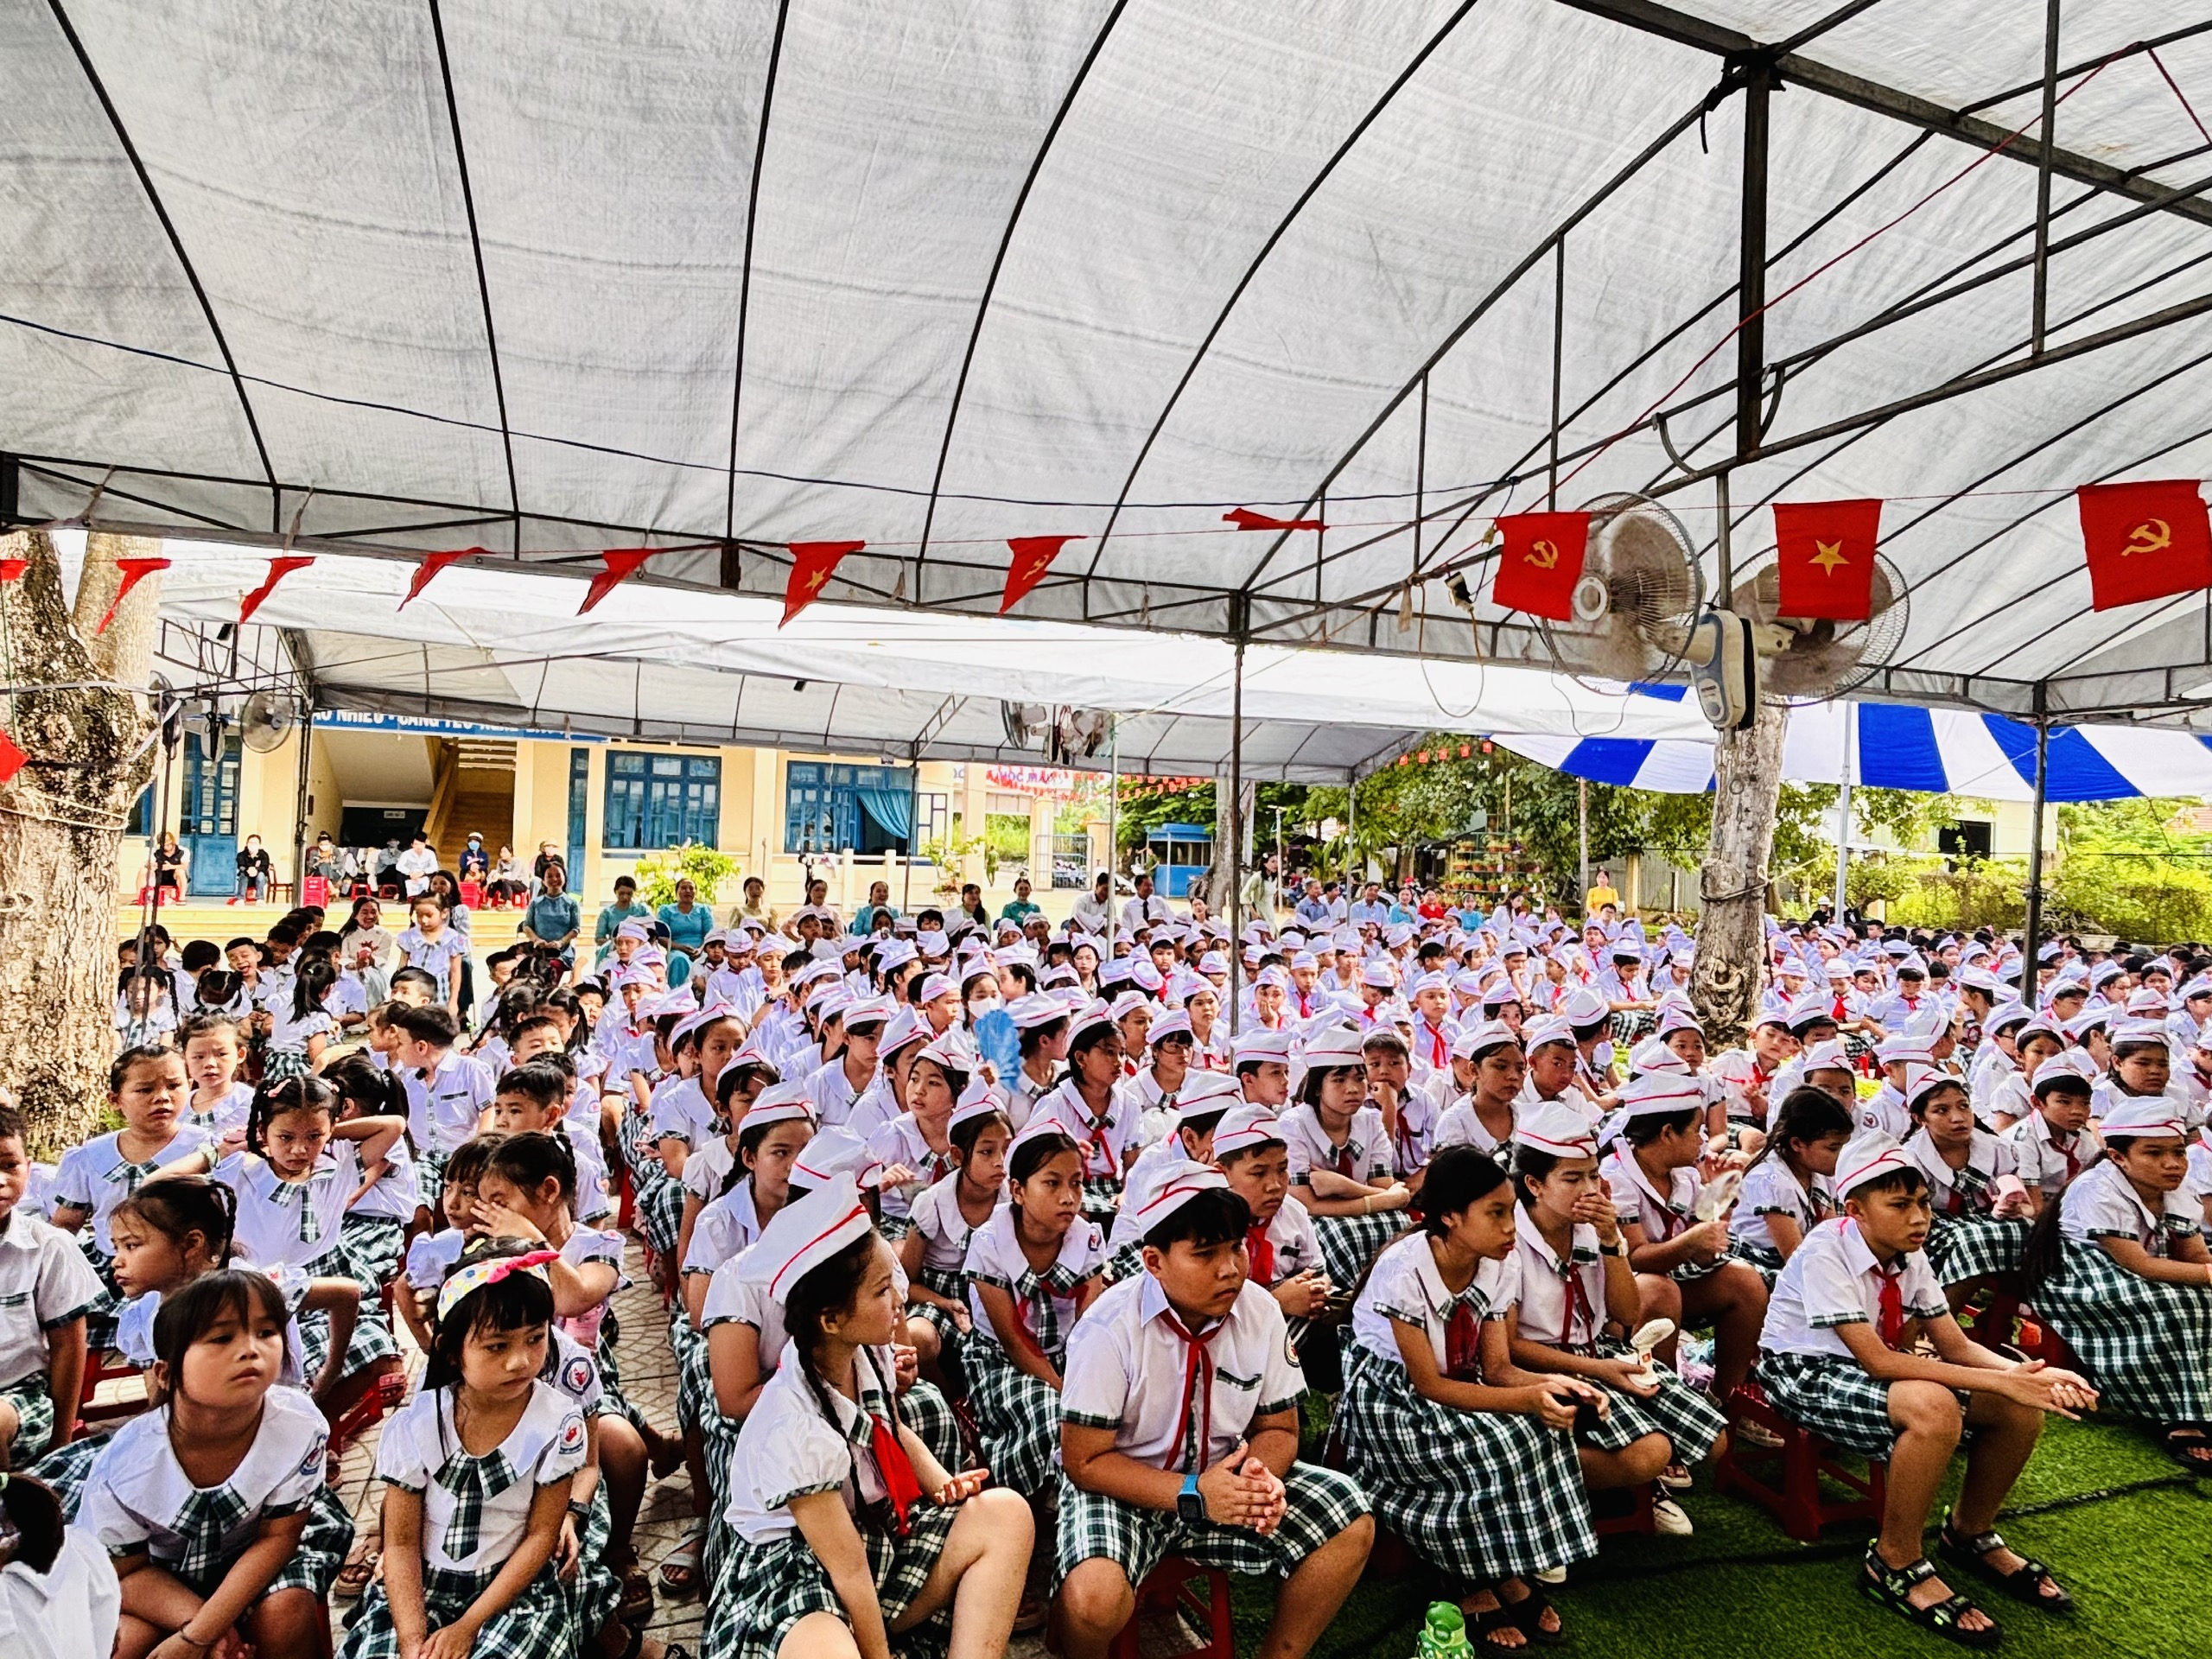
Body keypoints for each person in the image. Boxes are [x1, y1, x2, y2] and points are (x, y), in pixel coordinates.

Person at [1756, 1129, 2092, 1645]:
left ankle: (1969, 1532)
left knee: (2016, 1407)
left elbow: (1955, 1345)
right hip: (1802, 1373)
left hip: (1866, 1369)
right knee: (1934, 1407)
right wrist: (2003, 1380)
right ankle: (1893, 1560)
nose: (1919, 1218)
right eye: (1900, 1205)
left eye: (1923, 1203)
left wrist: (2028, 1377)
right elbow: (1879, 1361)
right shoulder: (1826, 1249)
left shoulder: (1908, 1253)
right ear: (1855, 1210)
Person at [1054, 1162, 1373, 1659]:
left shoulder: (1260, 1311)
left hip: (1222, 1479)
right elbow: (1084, 1461)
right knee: (1095, 1599)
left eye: (1236, 1247)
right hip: (1125, 1488)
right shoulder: (1108, 1329)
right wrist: (1193, 1493)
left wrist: (1257, 1480)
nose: (1229, 1268)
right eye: (1205, 1253)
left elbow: (1280, 1428)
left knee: (1349, 1518)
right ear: (1154, 1262)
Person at [702, 1175, 1029, 1659]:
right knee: (828, 1651)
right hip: (798, 1567)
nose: (898, 1299)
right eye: (881, 1290)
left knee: (1007, 1514)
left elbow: (888, 1429)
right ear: (831, 1319)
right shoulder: (795, 1427)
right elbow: (848, 1570)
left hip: (870, 1535)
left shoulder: (865, 1351)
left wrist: (940, 1482)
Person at [339, 1243, 613, 1659]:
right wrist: (413, 1641)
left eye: (535, 1338)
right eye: (497, 1346)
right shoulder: (419, 1425)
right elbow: (401, 1543)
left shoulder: (557, 1422)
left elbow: (541, 1536)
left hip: (513, 1593)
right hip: (423, 1590)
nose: (520, 1361)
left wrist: (467, 1626)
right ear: (452, 1351)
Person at [80, 1272, 353, 1658]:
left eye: (266, 1332)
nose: (250, 1349)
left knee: (284, 1614)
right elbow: (125, 1571)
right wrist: (204, 1629)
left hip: (261, 1551)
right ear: (166, 1373)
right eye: (222, 1338)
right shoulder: (127, 1467)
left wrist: (199, 1634)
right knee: (127, 1642)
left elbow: (278, 1538)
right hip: (160, 1572)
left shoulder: (299, 1425)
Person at [2023, 1096, 2212, 1469]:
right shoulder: (2096, 1187)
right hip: (2080, 1280)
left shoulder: (2175, 1186)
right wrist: (2208, 1275)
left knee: (2200, 1298)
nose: (2173, 1163)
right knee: (2178, 1306)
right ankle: (2176, 1416)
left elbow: (2195, 1255)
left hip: (2138, 1269)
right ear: (2118, 1156)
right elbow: (2138, 1264)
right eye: (2155, 1153)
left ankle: (2201, 1401)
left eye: (2178, 1152)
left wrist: (2207, 1272)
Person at [0, 1103, 99, 1470]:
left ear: (28, 1168)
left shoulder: (49, 1246)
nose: (0, 1180)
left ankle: (14, 1500)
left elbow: (68, 1346)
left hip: (22, 1398)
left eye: (10, 1165)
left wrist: (59, 1448)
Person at [523, 861, 583, 972]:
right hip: (538, 951)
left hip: (562, 953)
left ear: (564, 878)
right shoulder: (535, 903)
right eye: (549, 876)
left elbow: (575, 929)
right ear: (543, 881)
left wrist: (561, 942)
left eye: (558, 875)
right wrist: (537, 940)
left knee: (550, 968)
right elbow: (527, 926)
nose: (554, 879)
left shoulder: (572, 903)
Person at [659, 878, 715, 957]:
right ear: (676, 892)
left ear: (696, 893)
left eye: (691, 888)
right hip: (676, 951)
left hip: (702, 951)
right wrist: (680, 947)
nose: (688, 891)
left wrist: (700, 949)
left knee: (705, 960)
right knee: (679, 959)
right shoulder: (666, 911)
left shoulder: (704, 910)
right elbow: (661, 937)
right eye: (683, 888)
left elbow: (711, 935)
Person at [394, 831, 439, 899]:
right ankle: (402, 898)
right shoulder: (406, 854)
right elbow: (399, 866)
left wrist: (423, 872)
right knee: (399, 876)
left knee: (435, 875)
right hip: (411, 874)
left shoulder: (430, 853)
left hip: (424, 874)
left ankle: (431, 896)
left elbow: (435, 867)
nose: (419, 847)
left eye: (421, 844)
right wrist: (410, 873)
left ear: (425, 844)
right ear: (412, 845)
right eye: (416, 844)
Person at [232, 835, 273, 904]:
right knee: (243, 875)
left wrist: (257, 870)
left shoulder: (264, 855)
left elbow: (265, 867)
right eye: (250, 843)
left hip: (260, 878)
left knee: (261, 875)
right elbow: (241, 866)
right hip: (247, 877)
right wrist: (248, 869)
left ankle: (260, 899)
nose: (252, 845)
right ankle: (240, 899)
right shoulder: (241, 855)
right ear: (247, 844)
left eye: (255, 843)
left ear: (259, 845)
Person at [147, 830, 187, 899]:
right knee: (143, 871)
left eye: (168, 844)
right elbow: (148, 864)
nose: (166, 847)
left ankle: (182, 897)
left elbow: (184, 866)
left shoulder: (182, 851)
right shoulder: (155, 852)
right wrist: (152, 866)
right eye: (164, 845)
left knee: (180, 872)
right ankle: (140, 897)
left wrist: (171, 867)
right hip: (159, 876)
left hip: (174, 877)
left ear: (172, 842)